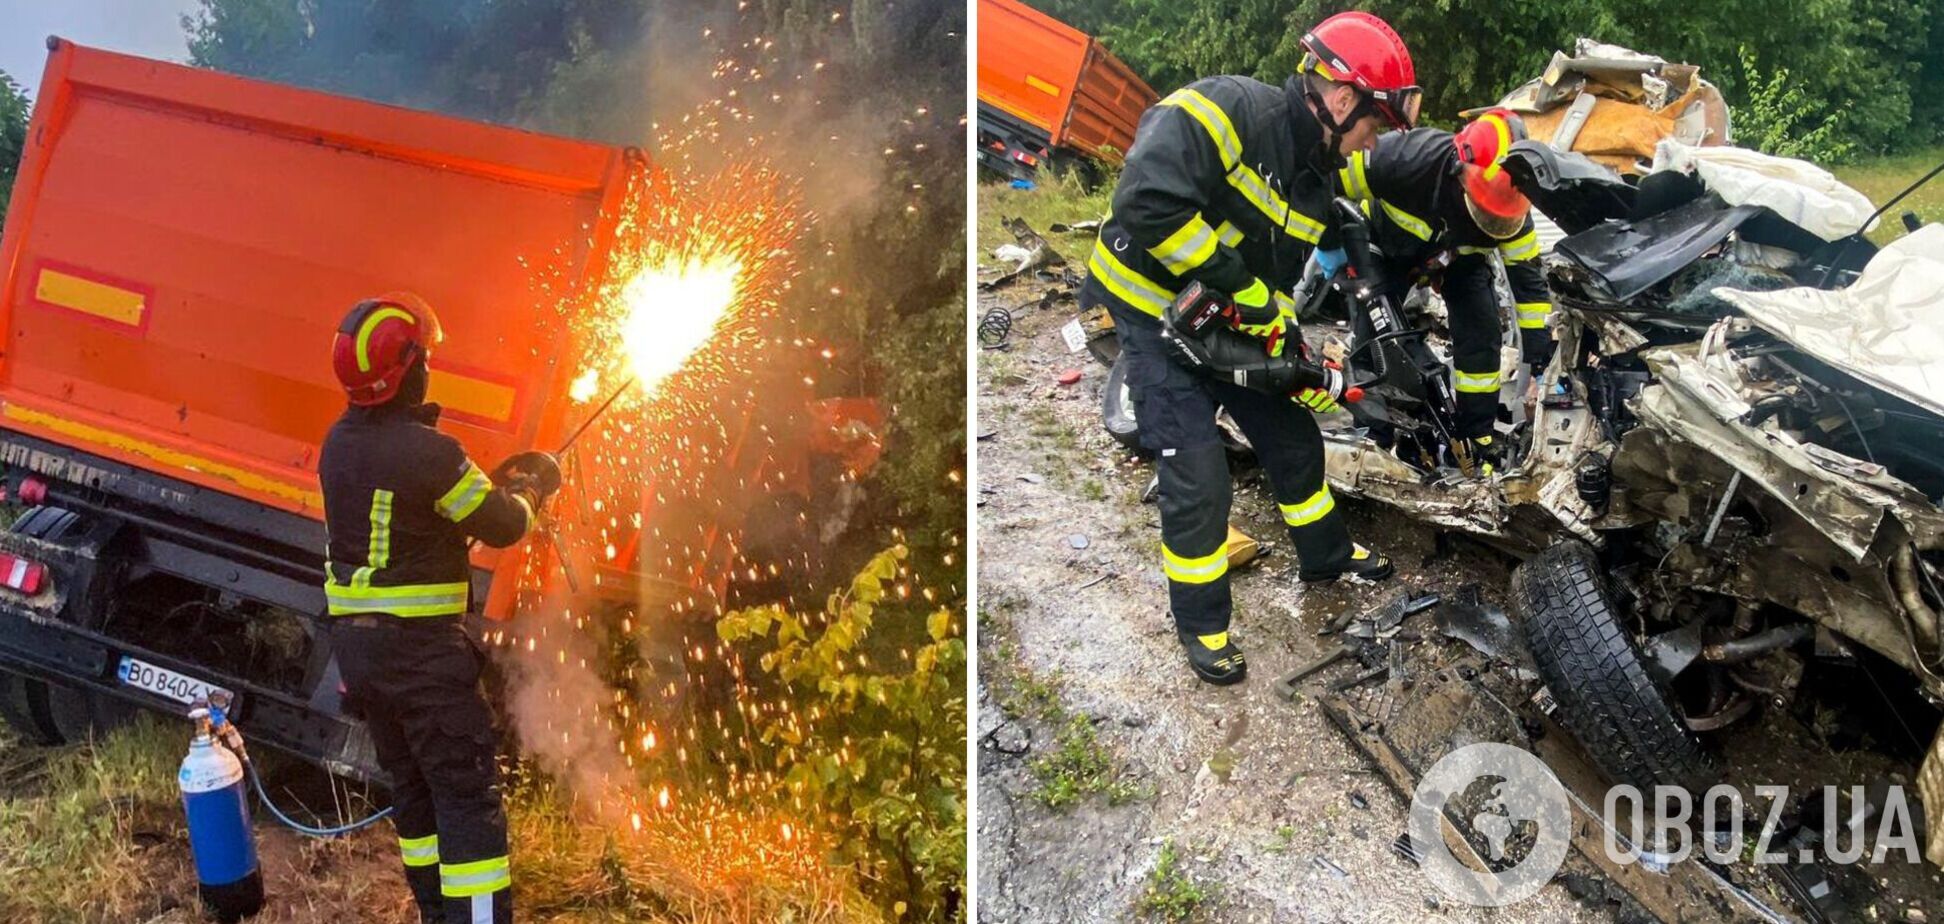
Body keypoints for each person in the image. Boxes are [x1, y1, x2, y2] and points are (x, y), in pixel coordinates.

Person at [1080, 12, 1418, 685]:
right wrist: (1248, 297)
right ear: (1343, 98)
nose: (1367, 143)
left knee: (1293, 436)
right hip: (1152, 315)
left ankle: (1324, 555)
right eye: (1373, 125)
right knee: (1198, 472)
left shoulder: (1314, 179)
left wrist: (1294, 349)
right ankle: (1204, 626)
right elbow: (1146, 201)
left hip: (1219, 323)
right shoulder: (1227, 109)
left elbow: (1282, 271)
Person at [320, 293, 560, 923]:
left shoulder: (338, 443)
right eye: (423, 358)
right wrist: (536, 484)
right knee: (465, 799)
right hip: (422, 658)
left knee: (416, 792)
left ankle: (436, 912)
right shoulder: (431, 454)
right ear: (408, 373)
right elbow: (505, 524)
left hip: (363, 655)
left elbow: (413, 522)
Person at [1335, 108, 1556, 474]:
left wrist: (1541, 356)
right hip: (1381, 248)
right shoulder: (1403, 157)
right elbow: (1326, 180)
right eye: (1487, 212)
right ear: (1460, 171)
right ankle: (1377, 436)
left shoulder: (1514, 205)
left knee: (1481, 333)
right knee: (1375, 340)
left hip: (1455, 257)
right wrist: (1334, 246)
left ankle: (1474, 440)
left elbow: (1529, 286)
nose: (1493, 222)